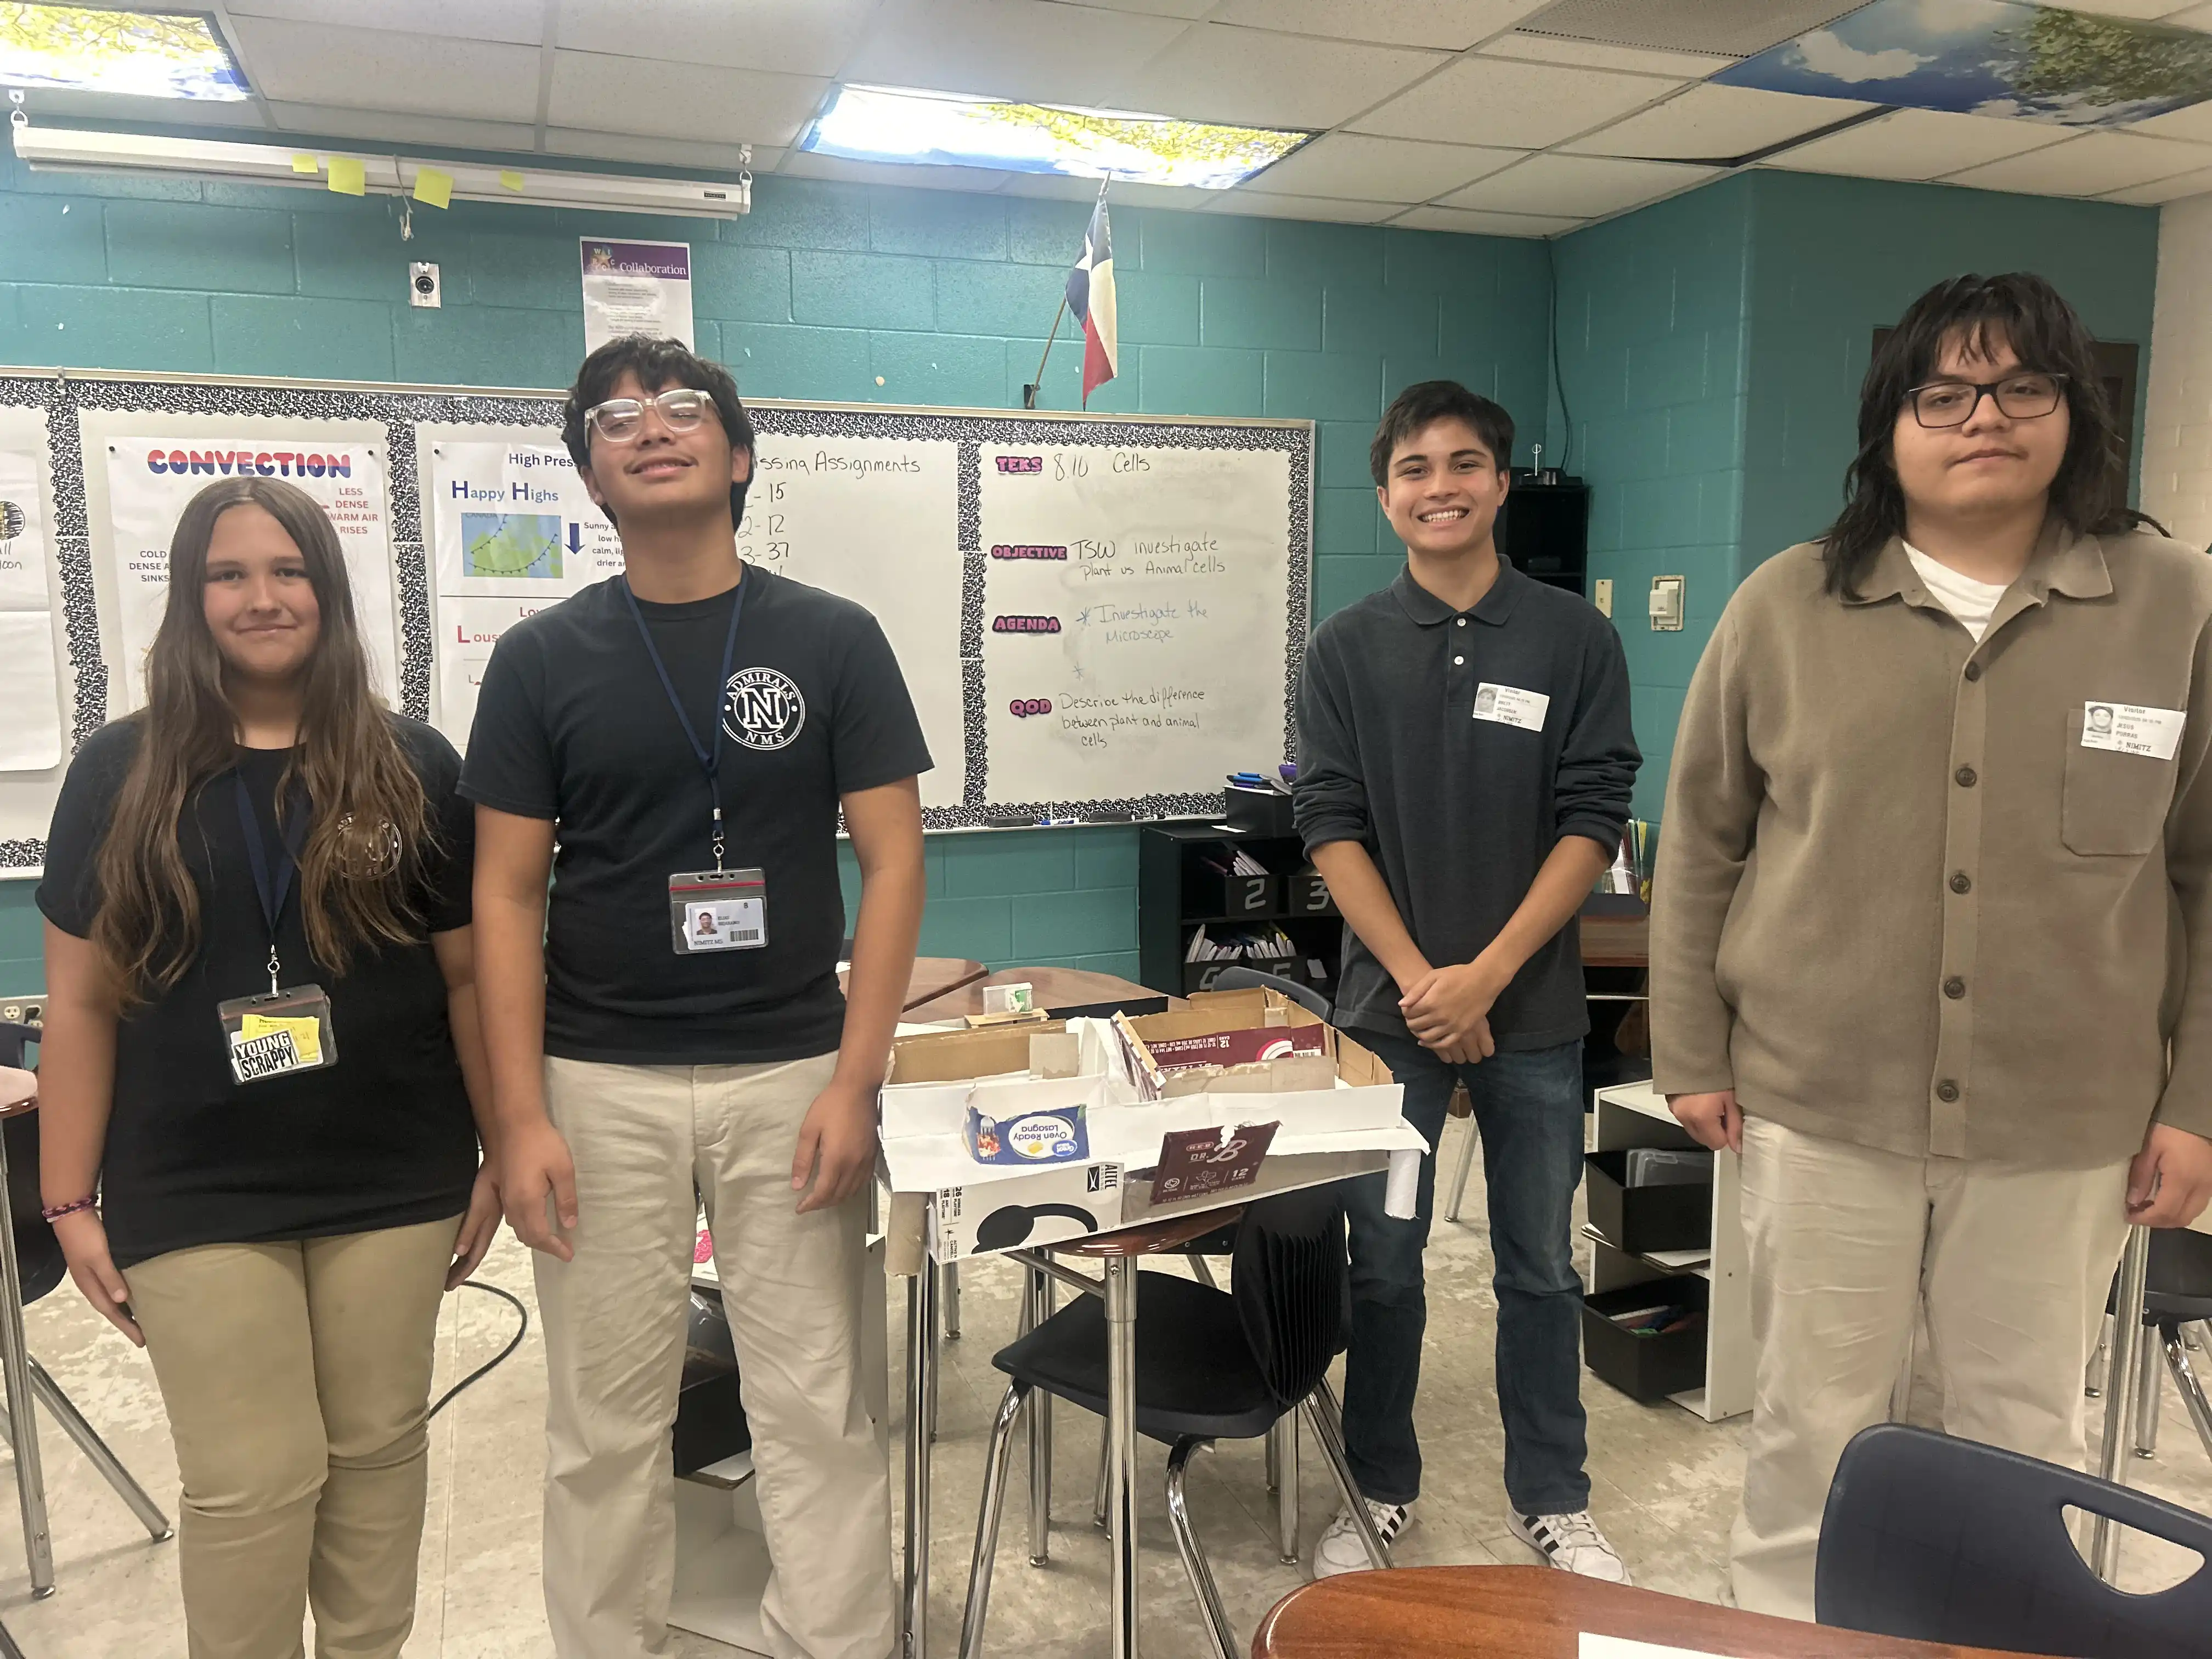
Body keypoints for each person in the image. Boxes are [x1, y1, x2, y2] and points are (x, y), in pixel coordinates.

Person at [1651, 272, 2212, 1618]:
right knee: (1815, 1426)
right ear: (1889, 424)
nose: (1985, 418)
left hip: (2064, 1118)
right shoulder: (1786, 604)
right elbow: (1703, 841)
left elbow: (2205, 871)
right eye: (1945, 394)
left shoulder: (2175, 603)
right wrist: (1690, 1053)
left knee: (2022, 1432)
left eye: (2024, 387)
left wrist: (2197, 1103)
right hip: (1818, 1099)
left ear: (2076, 412)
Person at [464, 336, 928, 1659]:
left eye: (681, 409)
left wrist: (857, 1079)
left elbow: (895, 863)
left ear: (737, 456)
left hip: (792, 1075)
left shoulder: (832, 639)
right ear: (591, 479)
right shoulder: (540, 660)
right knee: (604, 1424)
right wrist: (518, 1119)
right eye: (615, 420)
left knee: (815, 1404)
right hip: (596, 1084)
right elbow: (505, 894)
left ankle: (834, 1641)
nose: (651, 428)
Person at [35, 477, 499, 1657]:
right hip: (192, 1183)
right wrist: (67, 1198)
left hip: (393, 1173)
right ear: (190, 600)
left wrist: (501, 1148)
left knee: (377, 1448)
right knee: (252, 1479)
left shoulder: (411, 764)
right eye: (229, 575)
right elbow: (79, 1001)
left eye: (288, 571)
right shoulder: (120, 773)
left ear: (327, 591)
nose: (262, 598)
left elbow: (468, 980)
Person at [1294, 380, 1640, 1581]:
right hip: (1385, 1014)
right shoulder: (1344, 647)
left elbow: (1593, 818)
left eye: (1462, 465)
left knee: (1538, 1264)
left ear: (1500, 484)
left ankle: (1553, 1496)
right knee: (1384, 1264)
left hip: (1532, 1012)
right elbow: (1329, 822)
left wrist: (1485, 978)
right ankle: (1378, 1482)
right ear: (1384, 494)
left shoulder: (1574, 638)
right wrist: (1422, 982)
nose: (1438, 487)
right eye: (1413, 469)